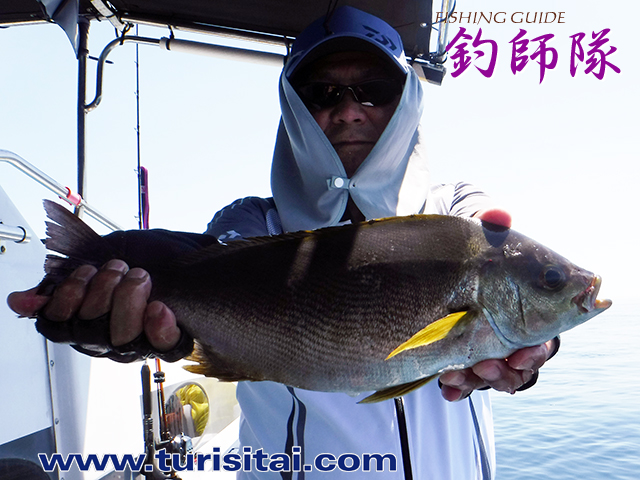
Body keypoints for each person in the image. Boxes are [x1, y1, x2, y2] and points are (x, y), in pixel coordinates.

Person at [8, 6, 557, 479]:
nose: (349, 110)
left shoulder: (458, 212)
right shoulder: (253, 225)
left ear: (408, 101)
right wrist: (112, 331)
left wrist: (535, 349)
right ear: (294, 108)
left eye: (375, 91)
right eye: (323, 94)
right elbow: (189, 281)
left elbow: (511, 274)